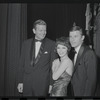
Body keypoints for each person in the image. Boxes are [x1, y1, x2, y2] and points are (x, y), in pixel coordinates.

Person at [17, 19, 57, 96]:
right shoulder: (25, 43)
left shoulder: (52, 44)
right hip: (27, 83)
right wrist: (20, 81)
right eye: (40, 30)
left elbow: (53, 67)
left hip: (42, 84)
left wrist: (51, 84)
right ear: (34, 31)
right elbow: (21, 64)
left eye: (45, 30)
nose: (43, 33)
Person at [69, 25, 97, 96]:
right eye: (70, 36)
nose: (72, 39)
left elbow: (91, 82)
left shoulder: (89, 53)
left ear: (82, 37)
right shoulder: (74, 52)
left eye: (75, 36)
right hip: (76, 92)